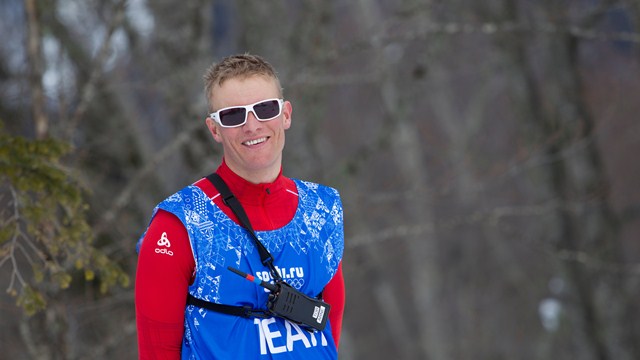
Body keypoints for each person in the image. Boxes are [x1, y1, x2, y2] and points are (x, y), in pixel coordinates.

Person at [135, 54, 345, 359]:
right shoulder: (180, 224)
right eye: (233, 115)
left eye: (265, 109)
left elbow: (328, 331)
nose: (252, 125)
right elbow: (157, 352)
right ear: (215, 129)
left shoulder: (322, 211)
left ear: (285, 114)